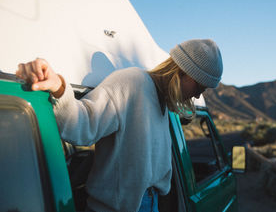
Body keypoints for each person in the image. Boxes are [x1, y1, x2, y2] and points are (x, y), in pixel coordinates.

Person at [16, 39, 223, 212]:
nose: (197, 95)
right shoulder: (132, 83)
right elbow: (84, 123)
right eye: (199, 86)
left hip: (150, 204)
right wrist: (59, 87)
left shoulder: (164, 103)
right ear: (183, 70)